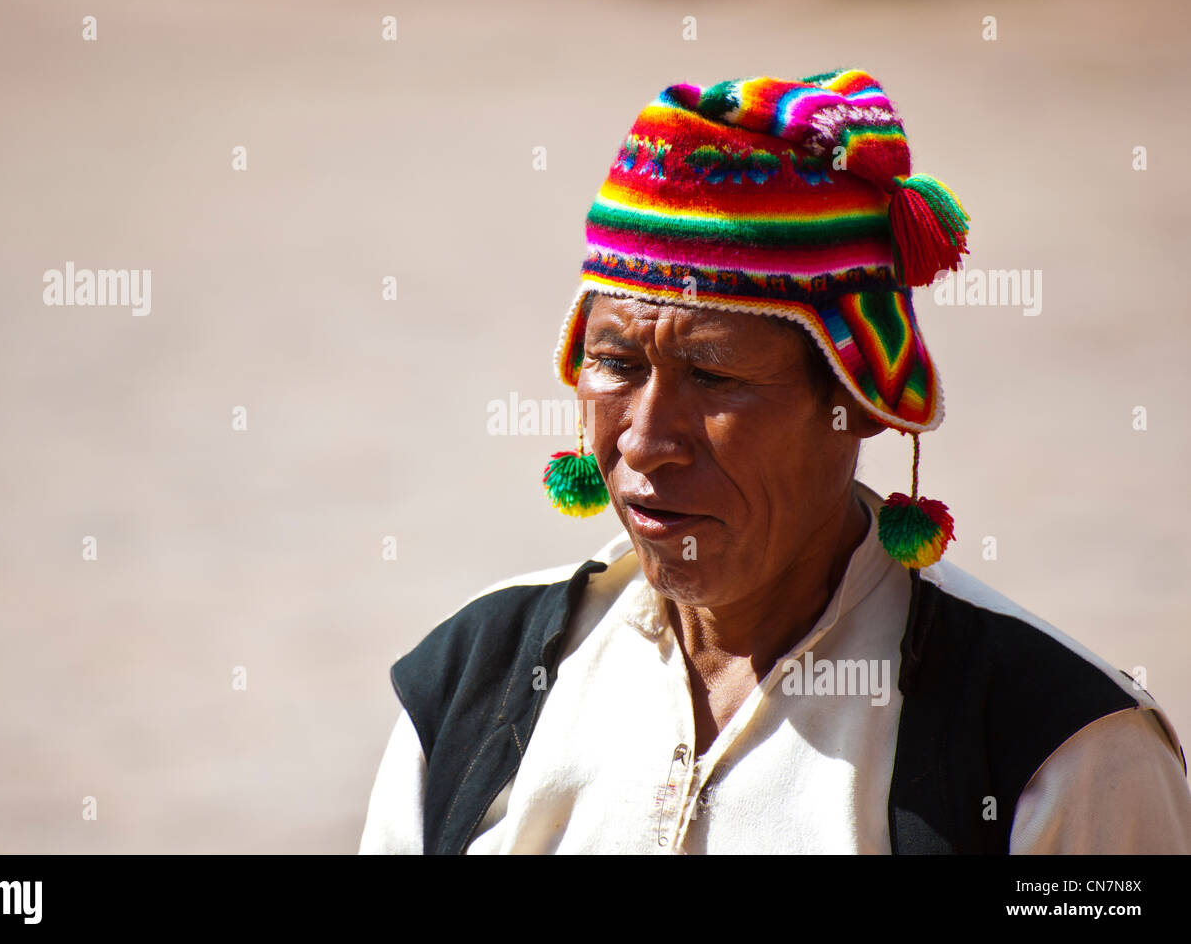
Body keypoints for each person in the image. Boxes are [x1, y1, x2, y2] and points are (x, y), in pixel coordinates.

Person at [358, 69, 1191, 854]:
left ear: (860, 404)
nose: (646, 440)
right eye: (617, 364)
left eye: (714, 376)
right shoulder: (472, 682)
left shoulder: (1055, 747)